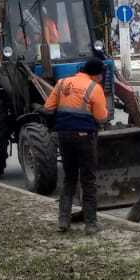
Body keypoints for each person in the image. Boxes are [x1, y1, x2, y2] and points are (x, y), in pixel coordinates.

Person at [43, 55, 110, 235]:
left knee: (69, 178)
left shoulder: (62, 83)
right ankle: (90, 224)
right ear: (96, 75)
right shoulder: (94, 88)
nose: (102, 78)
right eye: (101, 76)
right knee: (88, 180)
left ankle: (63, 220)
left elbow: (48, 108)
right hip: (85, 138)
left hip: (64, 136)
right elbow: (101, 117)